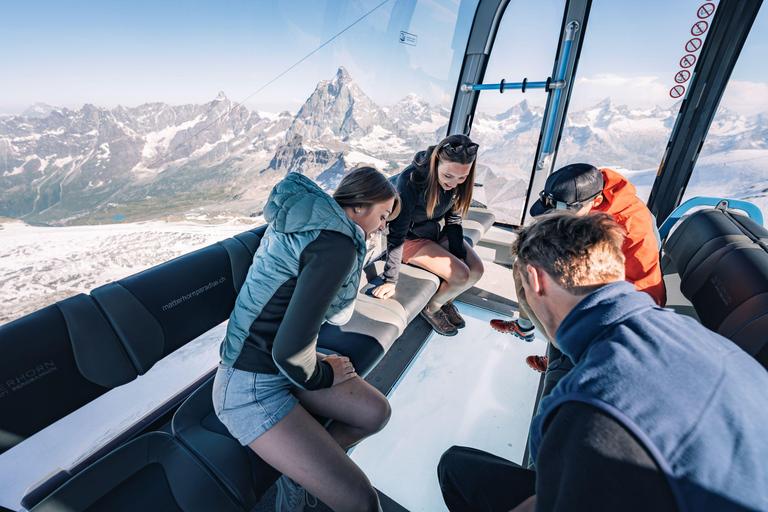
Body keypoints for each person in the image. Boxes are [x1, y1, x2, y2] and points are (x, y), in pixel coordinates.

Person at [438, 210, 768, 512]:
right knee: (460, 467)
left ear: (536, 281)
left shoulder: (584, 407)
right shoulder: (687, 330)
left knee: (456, 469)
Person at [213, 167, 400, 512]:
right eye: (383, 215)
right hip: (249, 385)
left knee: (375, 412)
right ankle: (306, 478)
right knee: (362, 502)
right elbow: (289, 352)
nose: (383, 227)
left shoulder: (308, 220)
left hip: (275, 364)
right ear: (359, 206)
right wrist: (325, 373)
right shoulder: (337, 245)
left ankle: (299, 474)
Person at [490, 163, 665, 372]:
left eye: (562, 212)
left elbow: (648, 292)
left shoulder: (633, 228)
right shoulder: (584, 187)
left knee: (539, 292)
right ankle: (525, 328)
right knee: (523, 267)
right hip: (587, 270)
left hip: (615, 296)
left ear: (596, 201)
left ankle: (570, 352)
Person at [372, 134, 484, 336]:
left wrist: (458, 253)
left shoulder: (457, 184)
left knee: (476, 270)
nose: (453, 184)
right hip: (408, 238)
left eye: (462, 178)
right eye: (448, 176)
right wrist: (390, 280)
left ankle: (445, 299)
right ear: (435, 165)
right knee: (461, 275)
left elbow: (454, 221)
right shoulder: (411, 181)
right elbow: (396, 234)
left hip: (433, 230)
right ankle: (432, 308)